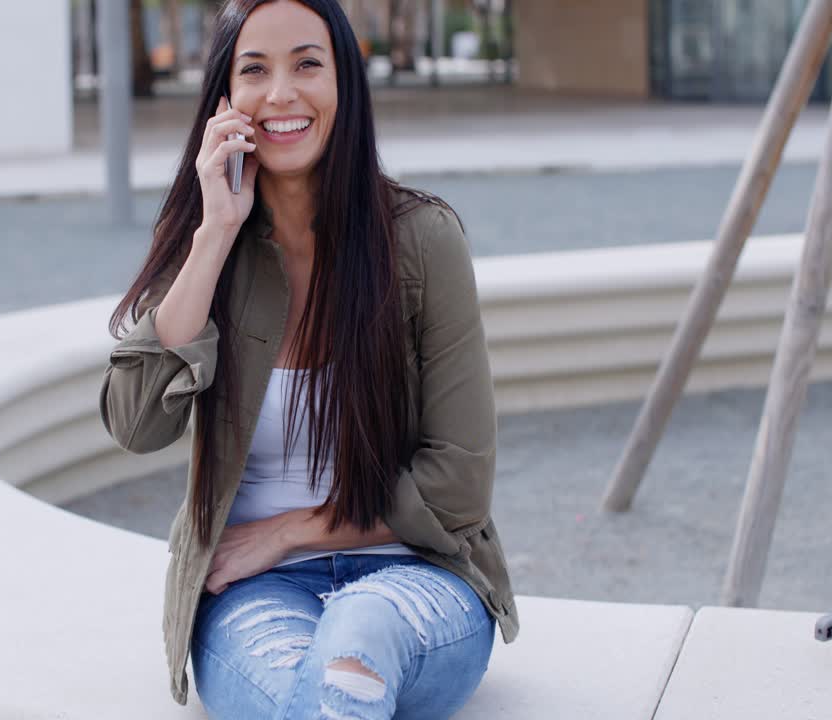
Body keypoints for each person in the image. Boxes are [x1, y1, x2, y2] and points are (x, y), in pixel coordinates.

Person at [99, 0, 518, 717]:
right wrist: (214, 232)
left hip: (418, 574)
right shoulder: (207, 246)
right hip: (252, 594)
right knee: (329, 695)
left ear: (343, 84)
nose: (281, 94)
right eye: (254, 71)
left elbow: (458, 487)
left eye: (307, 65)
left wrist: (289, 531)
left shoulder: (423, 240)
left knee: (358, 632)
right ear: (224, 99)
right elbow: (136, 424)